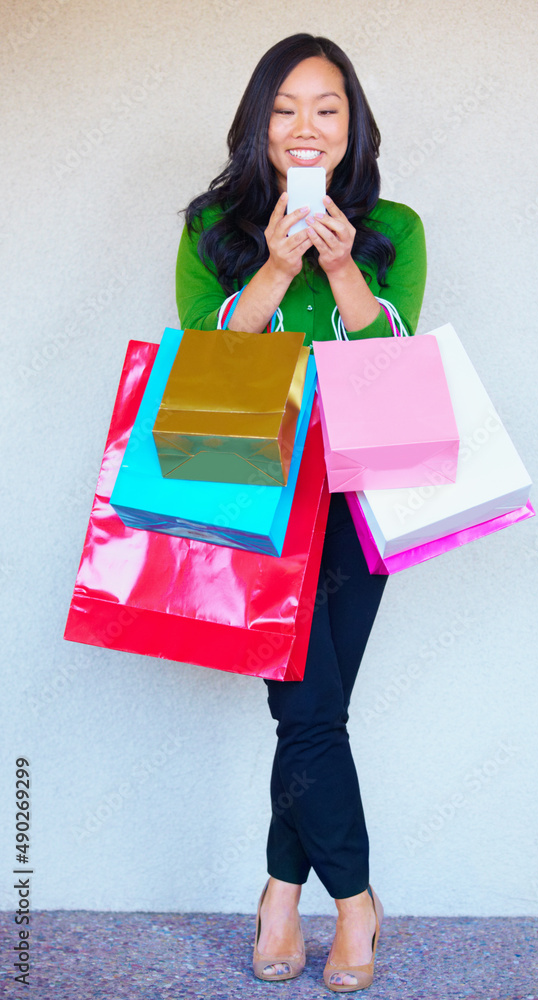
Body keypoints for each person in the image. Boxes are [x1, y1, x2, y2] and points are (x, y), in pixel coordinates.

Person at [176, 33, 426, 993]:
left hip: (362, 488)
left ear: (351, 122)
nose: (305, 126)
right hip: (250, 483)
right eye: (284, 108)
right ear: (257, 124)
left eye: (326, 107)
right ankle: (353, 902)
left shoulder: (394, 224)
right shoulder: (210, 226)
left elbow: (393, 357)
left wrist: (340, 267)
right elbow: (200, 361)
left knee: (313, 713)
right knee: (309, 709)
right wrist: (274, 270)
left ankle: (280, 892)